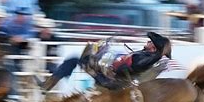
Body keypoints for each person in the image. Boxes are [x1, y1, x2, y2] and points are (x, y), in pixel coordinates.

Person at [42, 32, 172, 91]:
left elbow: (128, 67)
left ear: (154, 48)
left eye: (151, 42)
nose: (148, 41)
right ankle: (50, 82)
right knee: (77, 60)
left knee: (76, 60)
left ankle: (48, 84)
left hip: (110, 80)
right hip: (110, 77)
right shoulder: (144, 55)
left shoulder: (147, 59)